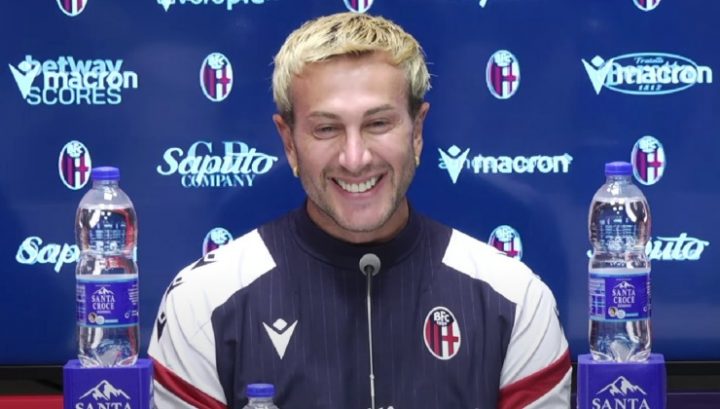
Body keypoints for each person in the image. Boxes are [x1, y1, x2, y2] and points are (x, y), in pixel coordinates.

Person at [148, 12, 571, 408]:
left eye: (378, 123)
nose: (355, 159)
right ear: (289, 142)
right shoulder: (203, 302)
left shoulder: (513, 298)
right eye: (326, 128)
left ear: (417, 131)